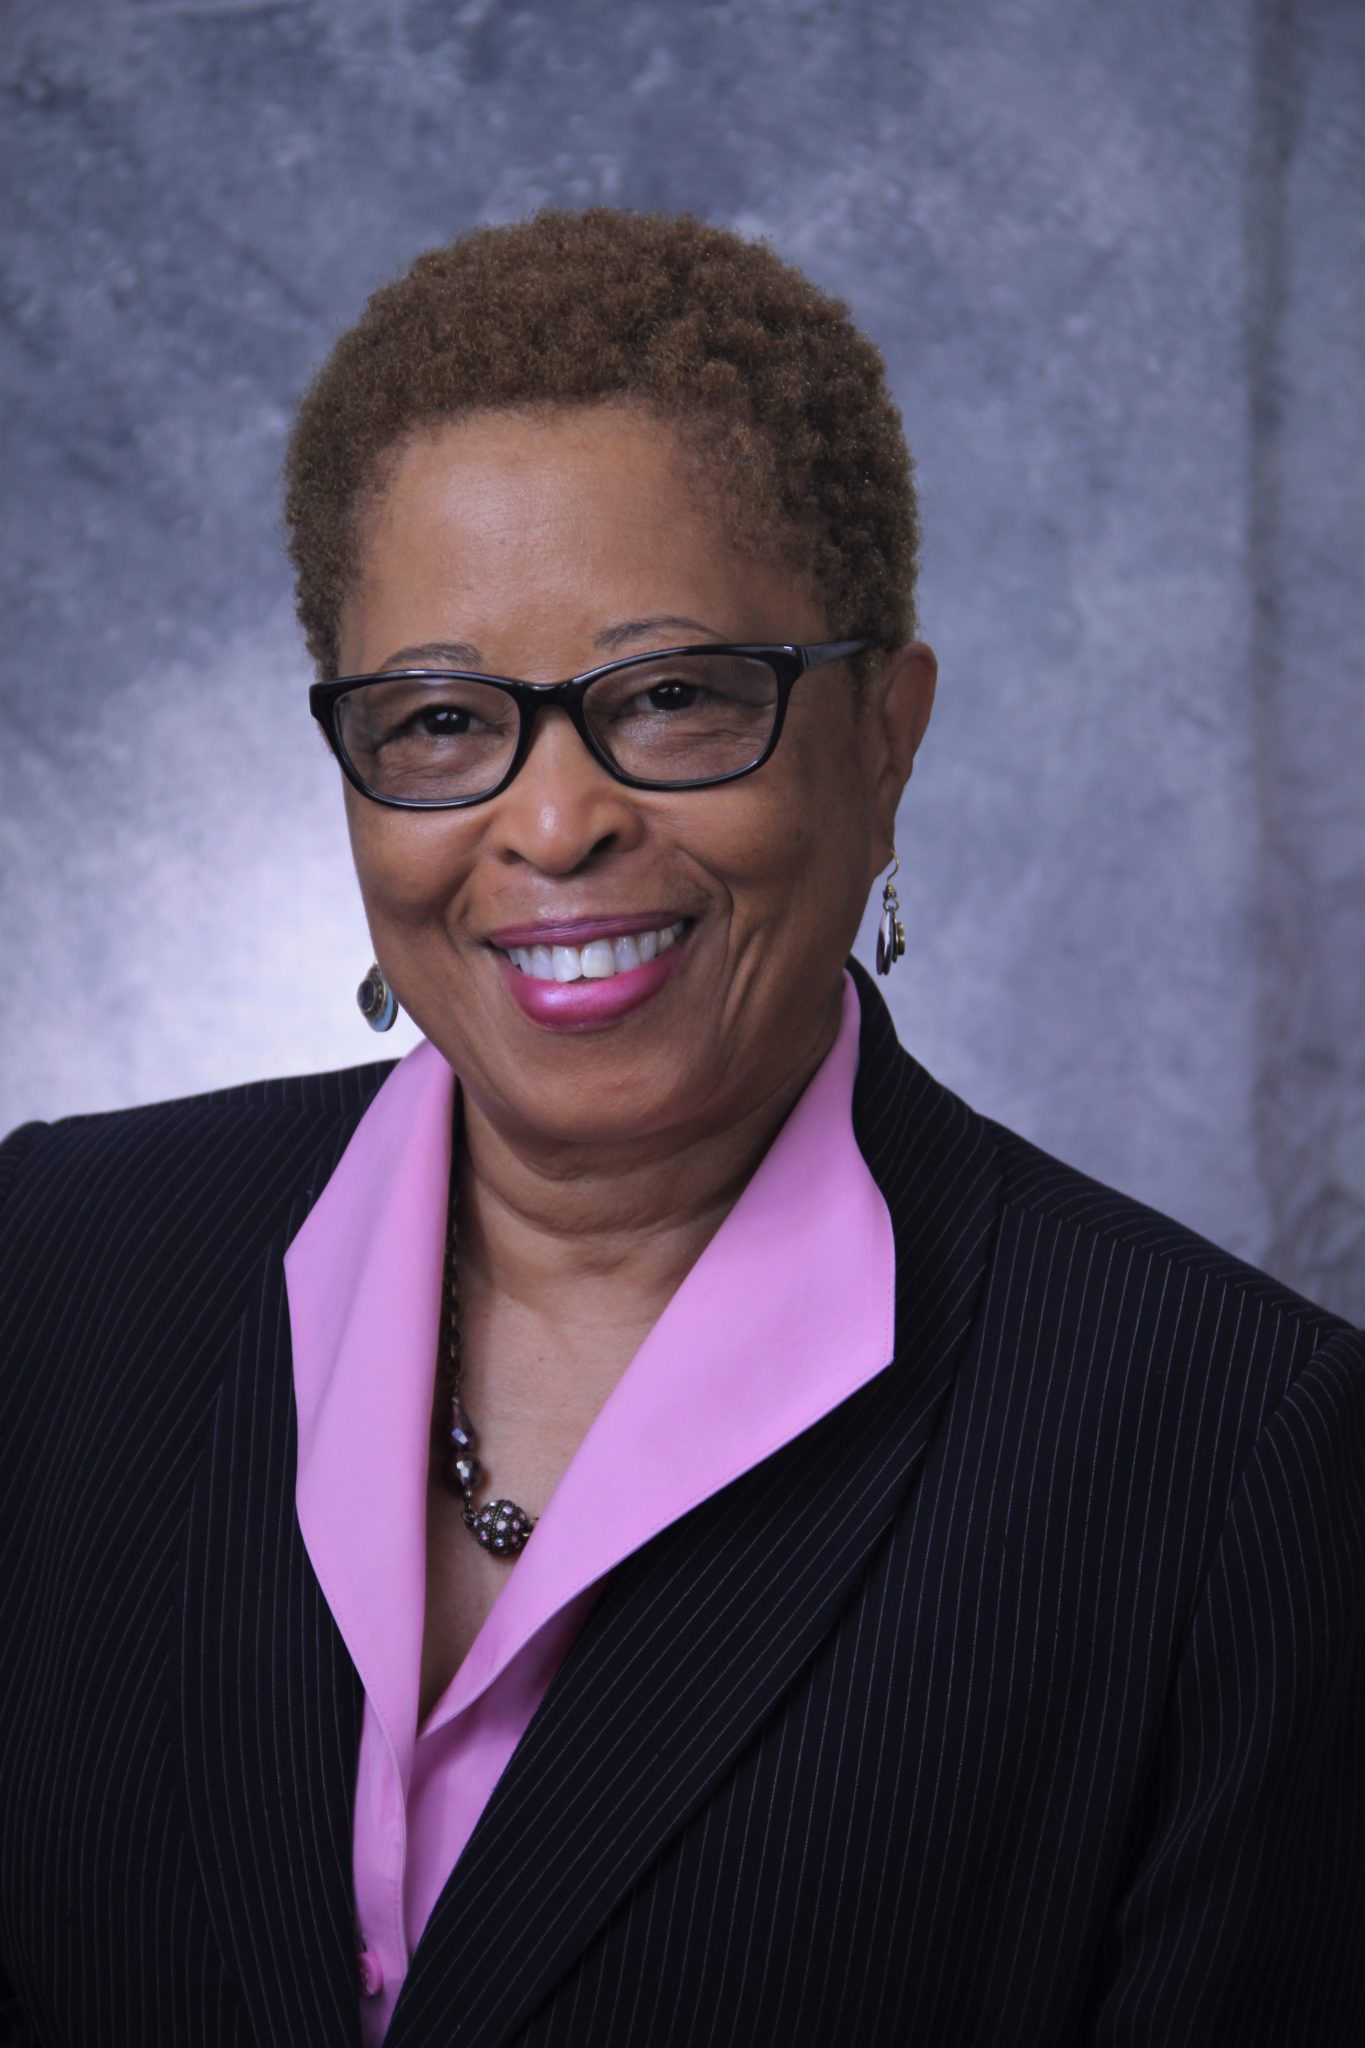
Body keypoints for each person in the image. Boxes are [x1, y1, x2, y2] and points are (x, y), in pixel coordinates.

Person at [1, 208, 1361, 2048]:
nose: (552, 822)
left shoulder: (1234, 1458)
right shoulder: (54, 1267)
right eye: (439, 719)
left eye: (669, 698)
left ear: (884, 738)